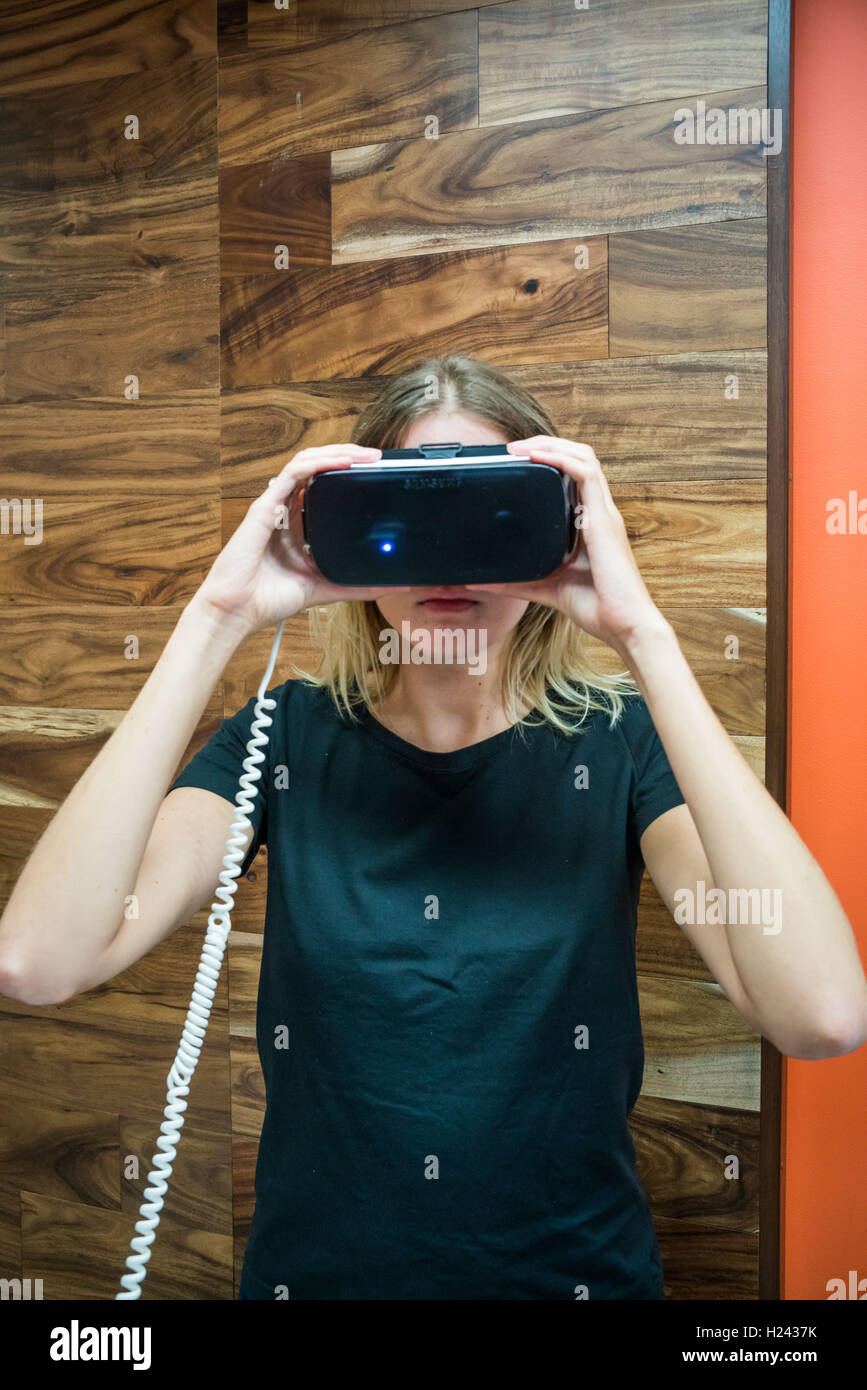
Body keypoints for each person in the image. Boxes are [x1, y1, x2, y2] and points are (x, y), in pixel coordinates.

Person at [1, 355, 865, 1301]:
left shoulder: (619, 744)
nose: (449, 558)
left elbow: (820, 1015)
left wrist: (641, 634)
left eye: (492, 511)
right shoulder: (283, 738)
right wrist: (215, 619)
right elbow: (41, 962)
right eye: (415, 512)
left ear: (559, 526)